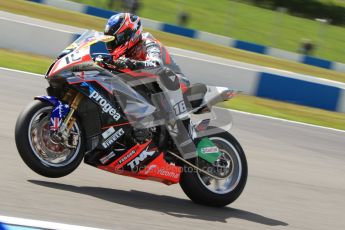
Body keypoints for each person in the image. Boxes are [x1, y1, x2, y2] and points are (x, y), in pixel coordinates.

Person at [97, 12, 196, 159]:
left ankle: (184, 128)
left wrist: (132, 63)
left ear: (129, 34)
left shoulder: (148, 41)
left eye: (116, 39)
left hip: (176, 83)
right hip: (151, 91)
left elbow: (156, 64)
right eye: (110, 41)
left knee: (166, 76)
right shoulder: (123, 53)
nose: (112, 44)